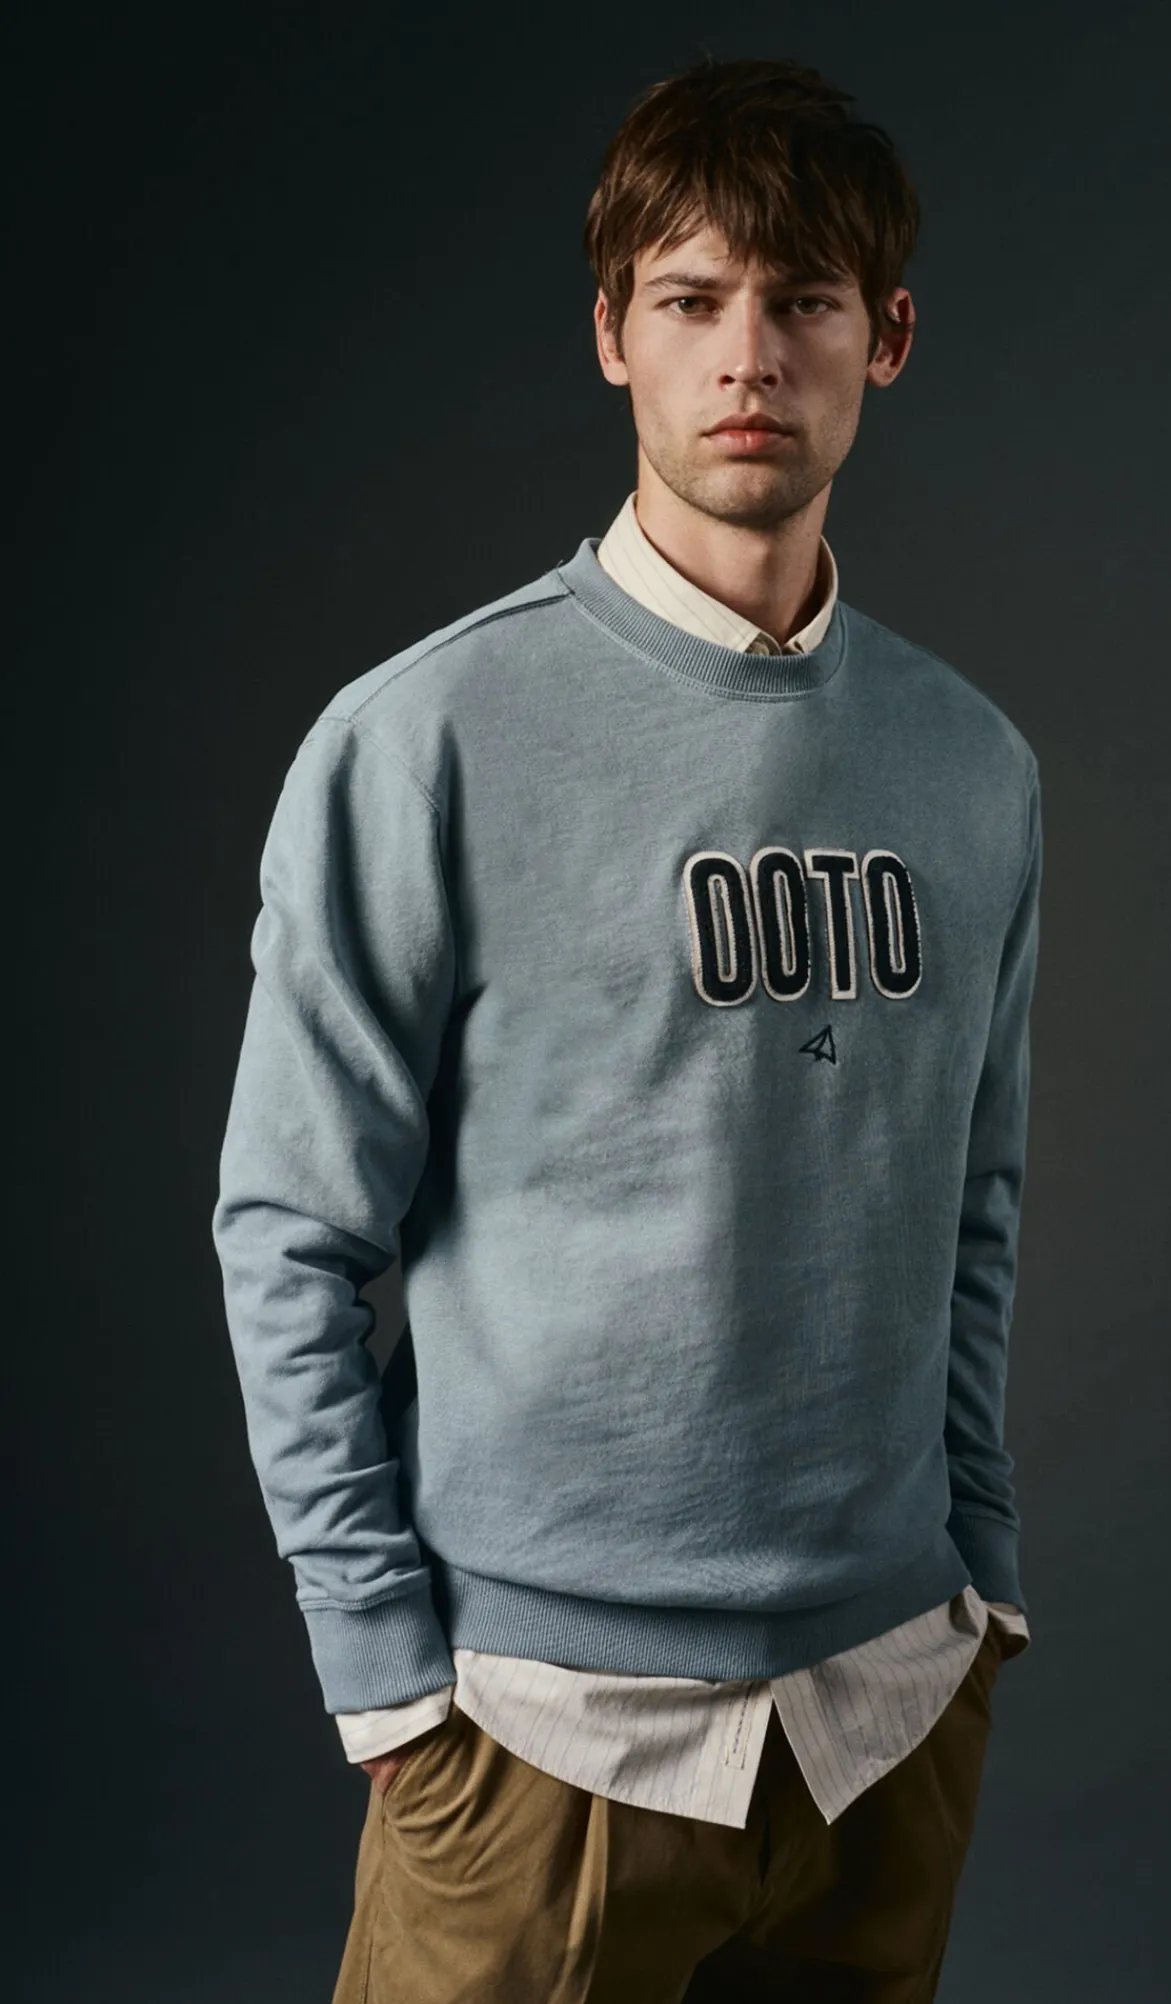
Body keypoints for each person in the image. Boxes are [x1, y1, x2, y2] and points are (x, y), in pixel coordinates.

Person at [212, 52, 1042, 2004]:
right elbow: (291, 1232)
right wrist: (382, 1673)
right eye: (690, 299)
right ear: (612, 335)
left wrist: (982, 1576)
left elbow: (973, 1206)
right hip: (541, 1732)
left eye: (803, 300)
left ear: (886, 338)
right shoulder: (426, 740)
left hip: (886, 1715)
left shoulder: (976, 766)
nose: (747, 355)